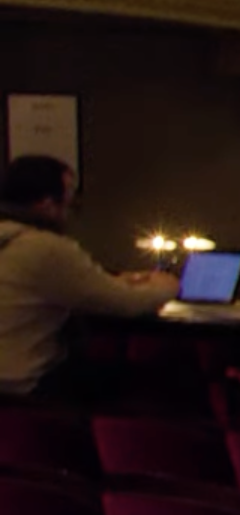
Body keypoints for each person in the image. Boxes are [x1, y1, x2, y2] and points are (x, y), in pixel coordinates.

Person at [0, 156, 178, 402]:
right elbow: (125, 304)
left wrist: (114, 280)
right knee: (153, 383)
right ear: (47, 204)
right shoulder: (45, 247)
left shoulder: (11, 240)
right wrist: (165, 284)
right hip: (18, 385)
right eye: (69, 203)